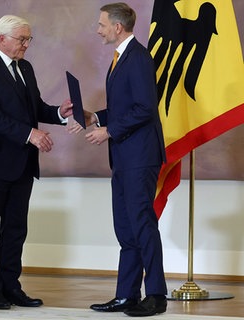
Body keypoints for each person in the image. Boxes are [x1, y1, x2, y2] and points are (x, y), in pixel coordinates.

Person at [0, 15, 73, 310]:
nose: (26, 45)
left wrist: (59, 113)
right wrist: (30, 134)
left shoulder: (25, 67)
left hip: (22, 162)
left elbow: (34, 108)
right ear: (1, 39)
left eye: (28, 40)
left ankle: (12, 286)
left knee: (16, 228)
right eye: (22, 40)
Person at [81, 3, 168, 317]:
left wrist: (108, 132)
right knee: (126, 229)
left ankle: (156, 295)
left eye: (102, 24)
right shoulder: (121, 58)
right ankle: (126, 296)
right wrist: (95, 118)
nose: (98, 29)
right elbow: (125, 106)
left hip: (139, 156)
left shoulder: (139, 58)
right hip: (124, 155)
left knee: (143, 225)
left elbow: (146, 108)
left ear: (118, 26)